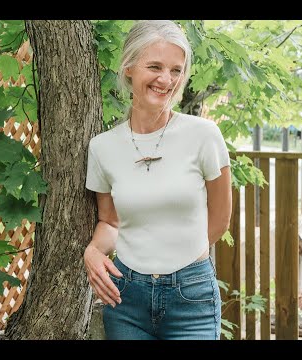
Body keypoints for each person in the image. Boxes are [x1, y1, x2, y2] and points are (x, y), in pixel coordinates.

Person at [83, 20, 232, 340]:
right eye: (154, 66)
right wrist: (94, 250)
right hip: (125, 298)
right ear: (128, 68)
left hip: (191, 297)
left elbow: (220, 219)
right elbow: (110, 223)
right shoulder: (103, 148)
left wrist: (176, 262)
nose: (166, 80)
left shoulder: (204, 136)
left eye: (176, 70)